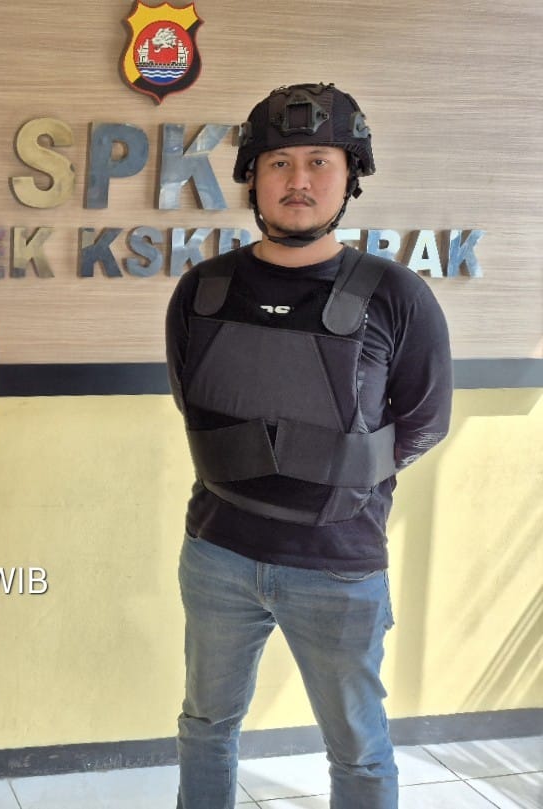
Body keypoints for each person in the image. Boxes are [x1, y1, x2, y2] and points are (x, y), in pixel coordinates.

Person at [165, 83, 453, 808]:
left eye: (320, 161)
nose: (299, 180)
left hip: (339, 566)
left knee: (358, 750)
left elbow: (423, 422)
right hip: (219, 555)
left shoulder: (397, 295)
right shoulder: (202, 289)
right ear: (252, 177)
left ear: (349, 176)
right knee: (205, 727)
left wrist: (334, 471)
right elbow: (192, 402)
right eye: (280, 162)